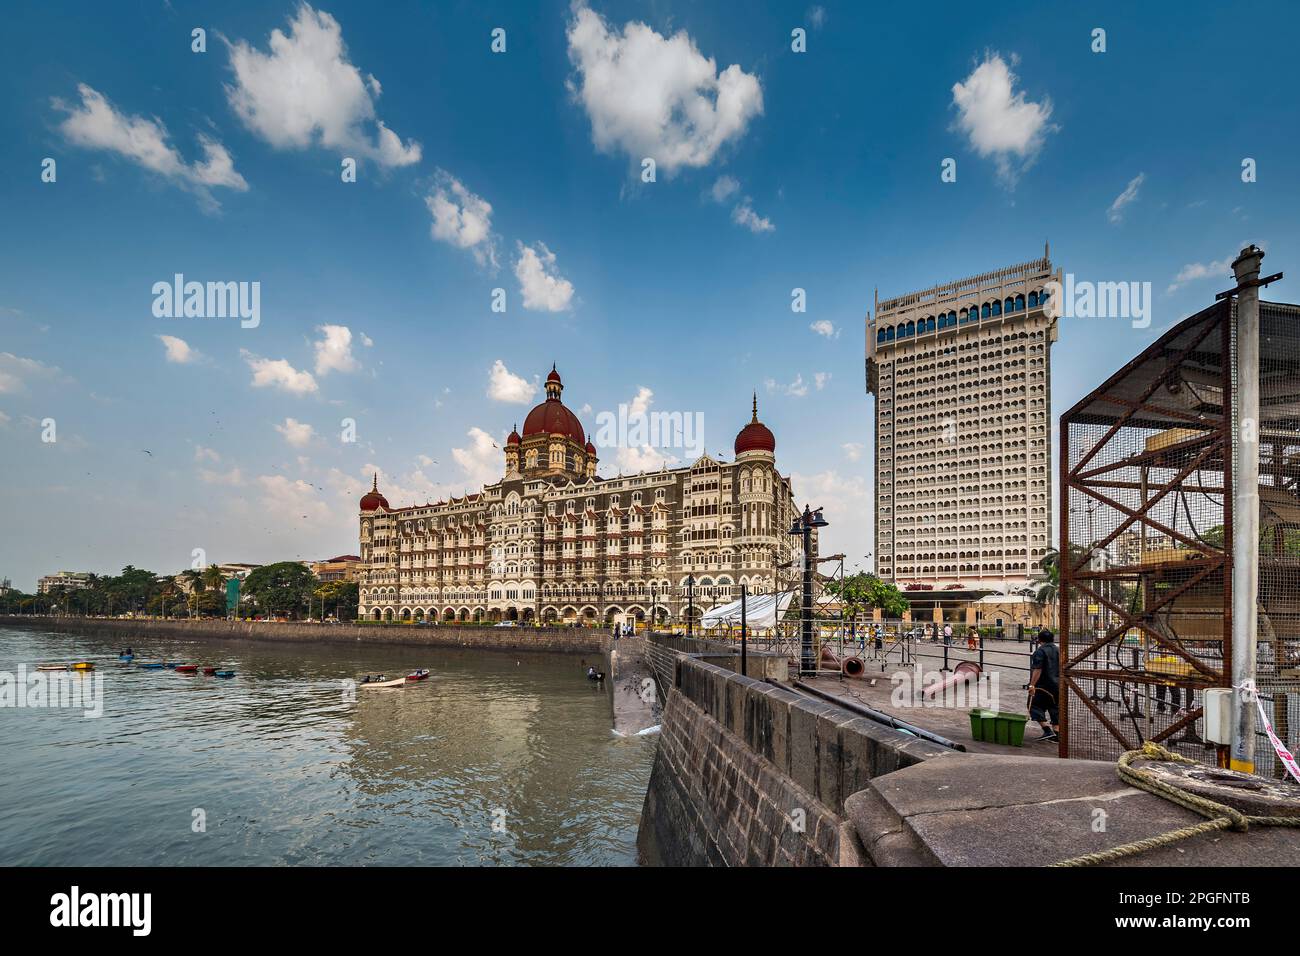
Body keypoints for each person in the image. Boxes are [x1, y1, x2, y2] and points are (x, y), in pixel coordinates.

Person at [1028, 628, 1060, 741]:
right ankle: (1057, 733)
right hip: (1058, 685)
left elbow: (1038, 669)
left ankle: (1047, 730)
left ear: (1039, 640)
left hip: (1043, 686)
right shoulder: (1059, 650)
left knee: (1034, 706)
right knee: (1055, 707)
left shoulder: (1040, 651)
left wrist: (1032, 685)